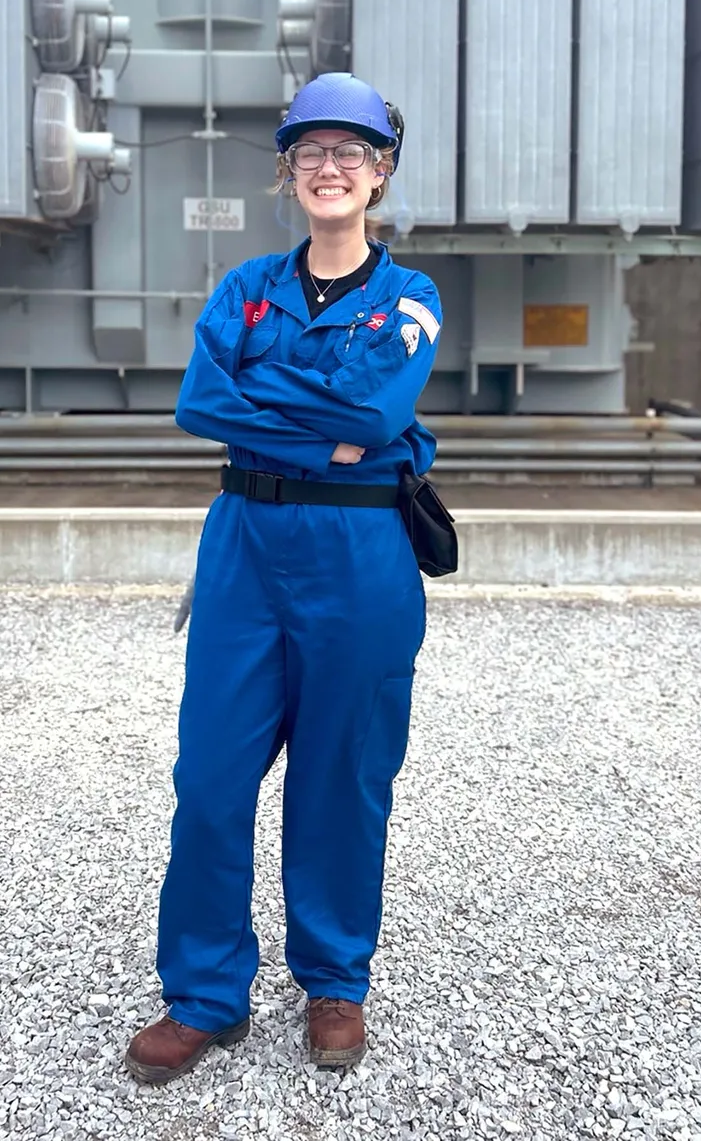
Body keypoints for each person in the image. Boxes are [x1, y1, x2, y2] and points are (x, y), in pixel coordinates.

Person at [125, 73, 443, 1085]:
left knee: (341, 779)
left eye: (350, 152)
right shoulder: (243, 288)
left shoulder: (410, 297)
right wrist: (337, 419)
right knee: (209, 777)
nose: (329, 167)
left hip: (361, 560)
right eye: (310, 152)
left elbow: (373, 417)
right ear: (287, 172)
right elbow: (198, 401)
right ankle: (205, 995)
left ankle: (334, 980)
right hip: (243, 552)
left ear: (379, 172)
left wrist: (303, 408)